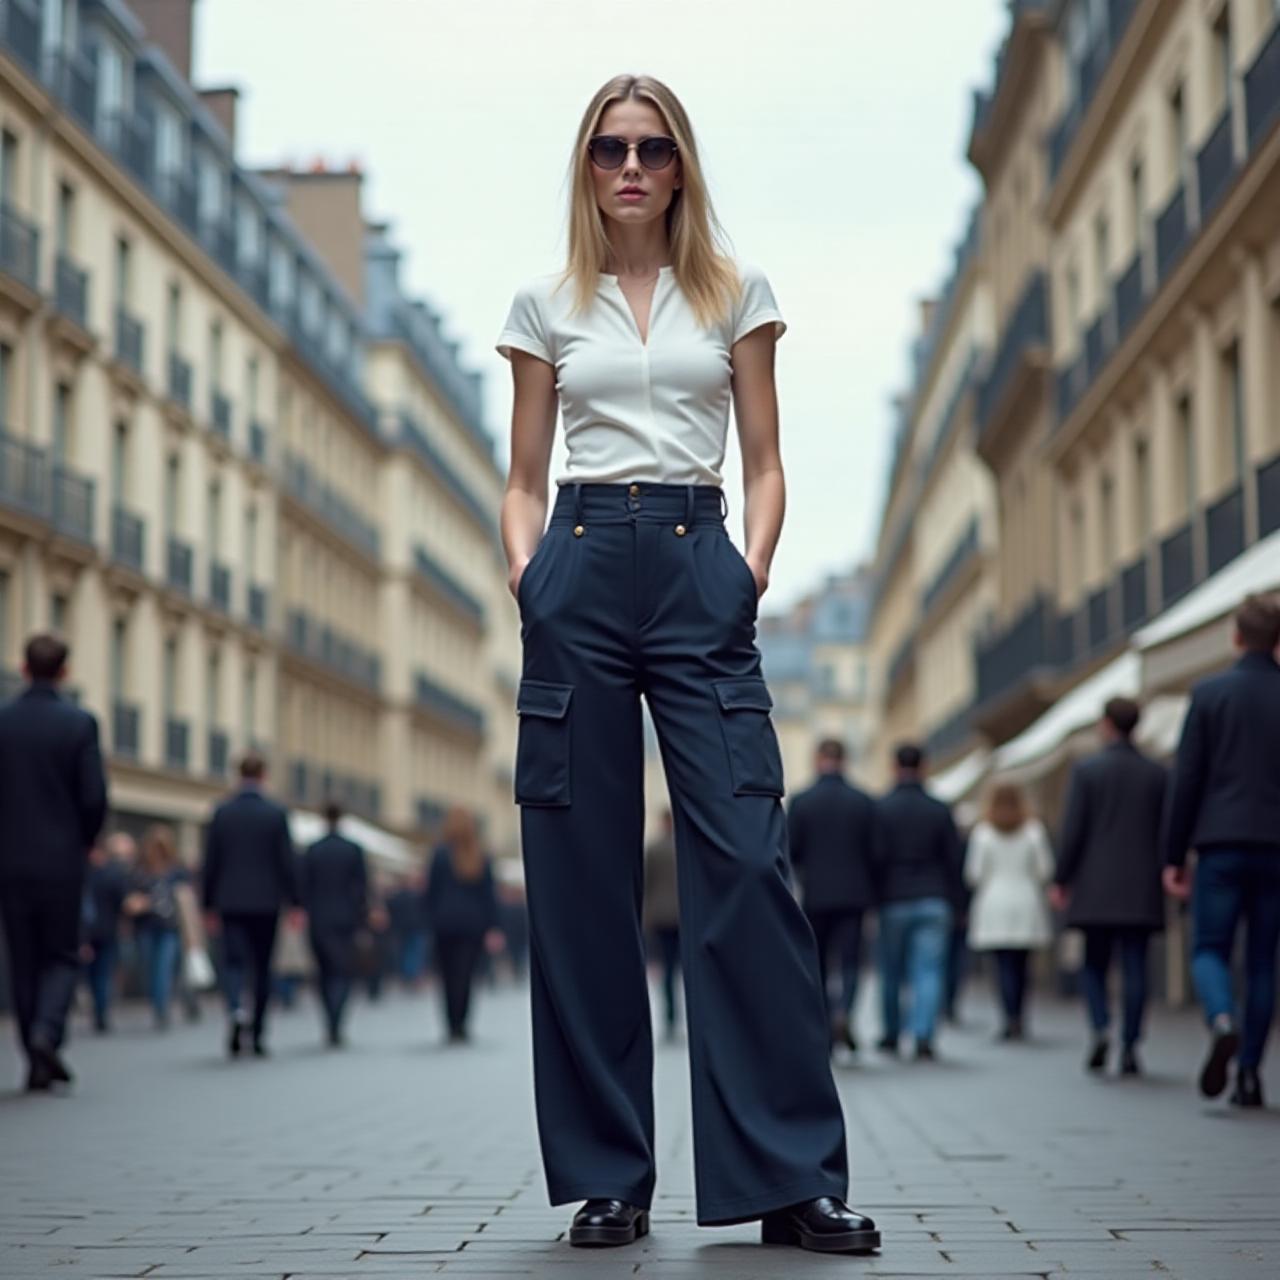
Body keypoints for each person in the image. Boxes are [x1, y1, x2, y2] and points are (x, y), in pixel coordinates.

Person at [496, 74, 876, 1253]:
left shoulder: (735, 294)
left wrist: (748, 572)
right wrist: (529, 580)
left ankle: (787, 1175)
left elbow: (763, 458)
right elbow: (519, 473)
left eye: (652, 149)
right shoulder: (544, 303)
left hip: (698, 562)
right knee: (579, 877)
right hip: (579, 562)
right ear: (585, 163)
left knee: (749, 864)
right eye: (609, 147)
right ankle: (611, 1173)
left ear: (680, 166)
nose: (629, 167)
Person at [1163, 593, 1280, 1109]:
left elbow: (1185, 780)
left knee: (1209, 947)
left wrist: (1173, 855)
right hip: (1276, 846)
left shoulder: (1208, 694)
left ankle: (1221, 1018)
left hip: (1219, 843)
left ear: (1236, 637)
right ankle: (1250, 1074)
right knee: (1262, 961)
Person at [0, 633, 108, 1091]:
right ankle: (48, 1033)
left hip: (9, 861)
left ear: (24, 669)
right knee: (62, 955)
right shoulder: (79, 723)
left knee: (22, 958)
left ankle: (33, 1056)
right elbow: (93, 796)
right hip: (62, 861)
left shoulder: (3, 721)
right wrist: (84, 841)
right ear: (64, 672)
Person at [1052, 697, 1167, 1076]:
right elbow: (1166, 830)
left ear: (1105, 725)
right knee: (1136, 966)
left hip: (1096, 886)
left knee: (1094, 965)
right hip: (1140, 886)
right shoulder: (1156, 773)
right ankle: (1131, 1043)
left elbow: (1073, 831)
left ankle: (1101, 1027)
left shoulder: (1087, 771)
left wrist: (1062, 878)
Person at [200, 751, 299, 1058]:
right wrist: (295, 902)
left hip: (229, 901)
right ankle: (257, 1033)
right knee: (262, 967)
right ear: (264, 776)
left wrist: (208, 905)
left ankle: (234, 1009)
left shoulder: (222, 812)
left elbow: (210, 862)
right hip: (267, 902)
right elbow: (287, 862)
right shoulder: (276, 813)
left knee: (232, 961)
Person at [785, 738, 881, 1053]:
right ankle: (845, 1012)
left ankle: (826, 1022)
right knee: (852, 960)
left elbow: (791, 851)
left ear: (817, 759)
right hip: (855, 894)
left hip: (816, 895)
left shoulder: (802, 801)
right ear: (845, 760)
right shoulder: (863, 801)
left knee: (820, 962)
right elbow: (876, 851)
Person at [875, 743, 962, 1061]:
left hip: (893, 898)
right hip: (934, 898)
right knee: (929, 971)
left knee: (891, 971)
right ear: (924, 766)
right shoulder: (939, 809)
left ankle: (891, 1033)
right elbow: (954, 860)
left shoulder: (882, 808)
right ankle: (924, 1035)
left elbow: (875, 857)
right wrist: (957, 902)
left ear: (894, 767)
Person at [964, 783, 1054, 1042]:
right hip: (1026, 899)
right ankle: (1019, 1016)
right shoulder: (1033, 831)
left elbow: (974, 873)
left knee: (1001, 964)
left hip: (995, 901)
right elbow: (1045, 870)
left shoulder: (983, 833)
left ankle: (1008, 1017)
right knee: (1022, 965)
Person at [423, 807, 503, 1044]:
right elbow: (489, 895)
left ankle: (451, 1024)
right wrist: (494, 926)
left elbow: (431, 892)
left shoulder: (439, 854)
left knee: (447, 977)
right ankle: (462, 1024)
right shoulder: (480, 856)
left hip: (444, 924)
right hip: (473, 925)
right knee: (466, 976)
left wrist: (429, 918)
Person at [299, 800, 368, 1047]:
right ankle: (337, 1020)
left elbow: (303, 886)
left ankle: (330, 1019)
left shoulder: (313, 850)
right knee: (342, 971)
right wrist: (362, 918)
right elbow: (361, 888)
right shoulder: (353, 850)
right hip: (346, 918)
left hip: (319, 918)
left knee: (324, 971)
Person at [127, 825, 191, 1029]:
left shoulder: (176, 871)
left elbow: (187, 898)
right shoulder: (139, 872)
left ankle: (161, 1009)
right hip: (146, 926)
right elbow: (128, 899)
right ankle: (158, 1004)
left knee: (163, 968)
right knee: (149, 968)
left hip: (169, 927)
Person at [81, 836, 132, 1033]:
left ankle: (99, 1011)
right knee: (100, 974)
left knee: (97, 975)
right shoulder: (111, 873)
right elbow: (123, 904)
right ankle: (100, 1012)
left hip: (95, 931)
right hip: (103, 931)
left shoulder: (87, 872)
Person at [642, 809, 682, 1042]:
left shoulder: (654, 850)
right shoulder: (683, 846)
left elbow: (646, 884)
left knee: (667, 971)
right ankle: (688, 1017)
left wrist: (646, 915)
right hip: (682, 917)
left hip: (660, 917)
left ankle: (670, 1020)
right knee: (686, 971)